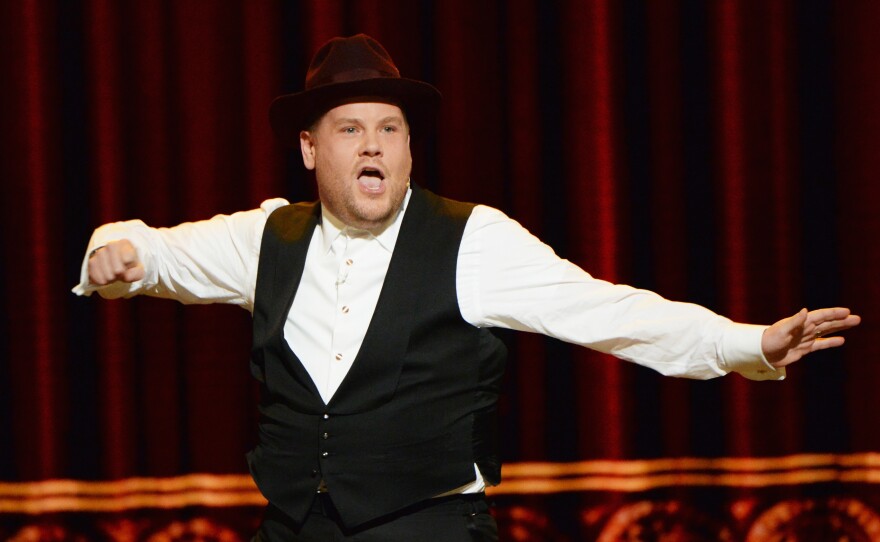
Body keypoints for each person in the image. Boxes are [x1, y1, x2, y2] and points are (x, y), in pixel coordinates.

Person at [74, 34, 860, 542]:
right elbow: (153, 251)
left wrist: (747, 344)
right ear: (312, 150)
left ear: (412, 146)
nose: (374, 145)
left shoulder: (471, 239)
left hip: (431, 525)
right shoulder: (267, 237)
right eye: (352, 130)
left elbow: (605, 310)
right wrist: (113, 255)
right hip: (295, 527)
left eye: (391, 129)